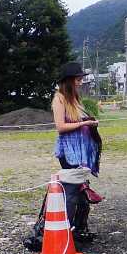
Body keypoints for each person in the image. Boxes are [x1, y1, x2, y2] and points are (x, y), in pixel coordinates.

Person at [51, 61, 100, 243]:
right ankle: (66, 230)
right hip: (68, 151)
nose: (80, 81)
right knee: (72, 190)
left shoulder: (74, 99)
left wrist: (89, 122)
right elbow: (60, 127)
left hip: (79, 150)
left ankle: (78, 228)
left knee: (81, 190)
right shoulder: (59, 99)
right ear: (69, 80)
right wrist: (84, 123)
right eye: (78, 78)